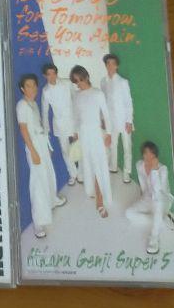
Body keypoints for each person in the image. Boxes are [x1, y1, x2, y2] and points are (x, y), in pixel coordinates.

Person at [16, 73, 66, 238]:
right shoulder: (22, 106)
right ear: (23, 88)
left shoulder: (33, 104)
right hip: (34, 146)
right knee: (38, 183)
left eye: (34, 85)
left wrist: (47, 147)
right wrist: (33, 151)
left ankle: (52, 200)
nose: (32, 89)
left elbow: (38, 126)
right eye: (28, 86)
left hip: (42, 143)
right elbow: (24, 130)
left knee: (49, 174)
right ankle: (38, 223)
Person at [69, 65, 112, 217]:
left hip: (96, 134)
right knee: (88, 165)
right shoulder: (77, 96)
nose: (78, 83)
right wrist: (75, 132)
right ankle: (94, 192)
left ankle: (100, 201)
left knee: (99, 165)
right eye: (75, 81)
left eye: (80, 80)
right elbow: (76, 116)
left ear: (86, 76)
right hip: (83, 135)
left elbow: (106, 115)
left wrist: (109, 134)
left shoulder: (97, 93)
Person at [127, 141, 174, 256]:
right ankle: (160, 221)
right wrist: (143, 198)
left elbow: (158, 190)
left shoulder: (163, 169)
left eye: (151, 153)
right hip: (148, 198)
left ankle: (154, 237)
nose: (148, 156)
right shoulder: (139, 165)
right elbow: (143, 184)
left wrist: (154, 170)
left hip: (162, 200)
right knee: (129, 214)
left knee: (157, 201)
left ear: (155, 155)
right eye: (146, 153)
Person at [40, 62, 79, 184]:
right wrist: (46, 131)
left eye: (53, 73)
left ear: (56, 73)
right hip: (60, 124)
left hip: (74, 120)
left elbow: (76, 100)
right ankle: (73, 174)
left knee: (80, 147)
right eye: (49, 74)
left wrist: (79, 121)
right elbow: (45, 112)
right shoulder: (46, 91)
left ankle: (83, 174)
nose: (52, 76)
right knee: (65, 151)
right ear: (45, 76)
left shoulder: (67, 83)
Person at [101, 53, 134, 183]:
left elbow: (128, 102)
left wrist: (129, 121)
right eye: (108, 63)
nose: (110, 66)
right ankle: (113, 166)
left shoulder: (123, 82)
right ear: (106, 65)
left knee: (127, 148)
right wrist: (103, 119)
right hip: (111, 121)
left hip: (124, 120)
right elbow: (103, 103)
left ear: (117, 66)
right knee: (112, 145)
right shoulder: (103, 82)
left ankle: (127, 172)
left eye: (113, 63)